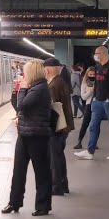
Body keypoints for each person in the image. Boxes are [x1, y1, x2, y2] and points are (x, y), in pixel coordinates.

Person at [2, 60, 54, 217]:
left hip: (37, 137)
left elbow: (22, 106)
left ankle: (43, 206)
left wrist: (22, 88)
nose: (24, 75)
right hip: (25, 134)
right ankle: (14, 202)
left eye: (25, 72)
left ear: (32, 73)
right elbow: (22, 109)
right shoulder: (35, 87)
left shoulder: (40, 89)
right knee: (18, 170)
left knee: (41, 172)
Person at [74, 46, 109, 161]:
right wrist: (95, 98)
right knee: (93, 126)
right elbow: (97, 84)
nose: (95, 55)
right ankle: (90, 151)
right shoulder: (97, 67)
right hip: (97, 101)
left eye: (97, 53)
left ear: (103, 54)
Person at [44, 58, 76, 196]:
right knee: (59, 155)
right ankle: (63, 184)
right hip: (63, 125)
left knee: (55, 157)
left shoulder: (53, 85)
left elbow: (52, 109)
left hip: (57, 126)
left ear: (47, 69)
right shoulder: (59, 82)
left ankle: (57, 187)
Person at [73, 63, 95, 150]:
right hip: (89, 105)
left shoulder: (99, 83)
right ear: (87, 74)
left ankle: (93, 142)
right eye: (90, 74)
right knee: (85, 124)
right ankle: (79, 142)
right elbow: (83, 97)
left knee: (95, 125)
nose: (92, 76)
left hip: (97, 106)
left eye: (93, 74)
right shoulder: (85, 83)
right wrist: (90, 91)